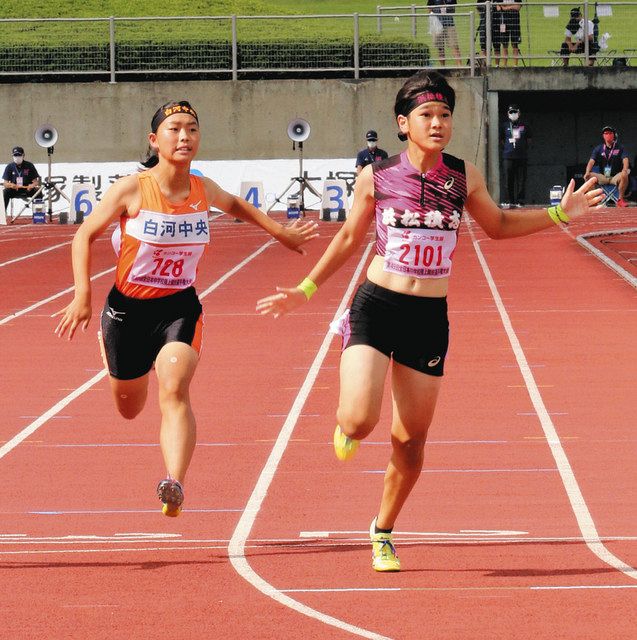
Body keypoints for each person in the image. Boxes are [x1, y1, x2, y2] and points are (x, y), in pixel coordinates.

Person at [256, 71, 602, 572]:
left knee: (411, 440)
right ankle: (348, 423)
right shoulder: (376, 177)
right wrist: (304, 290)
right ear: (403, 123)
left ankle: (382, 531)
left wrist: (558, 214)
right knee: (358, 419)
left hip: (428, 318)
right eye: (426, 115)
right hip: (376, 306)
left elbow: (499, 227)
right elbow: (350, 238)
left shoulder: (464, 177)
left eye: (444, 115)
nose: (437, 123)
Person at [54, 100, 318, 517]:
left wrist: (279, 233)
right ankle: (112, 353)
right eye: (174, 129)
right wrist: (82, 295)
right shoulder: (131, 188)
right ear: (154, 139)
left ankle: (173, 481)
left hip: (179, 307)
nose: (184, 137)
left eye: (192, 129)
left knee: (175, 389)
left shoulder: (202, 188)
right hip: (127, 310)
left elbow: (235, 205)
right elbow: (82, 236)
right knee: (129, 407)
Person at [584, 125, 630, 207]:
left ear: (614, 135)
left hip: (616, 176)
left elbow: (625, 159)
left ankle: (620, 200)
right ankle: (593, 200)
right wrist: (587, 172)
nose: (608, 135)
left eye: (610, 133)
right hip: (603, 176)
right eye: (606, 133)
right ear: (603, 136)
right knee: (588, 176)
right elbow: (591, 161)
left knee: (624, 174)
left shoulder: (620, 147)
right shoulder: (598, 148)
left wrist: (625, 169)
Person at [500, 104, 532, 208]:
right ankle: (509, 200)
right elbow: (501, 140)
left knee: (521, 180)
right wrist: (508, 148)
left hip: (521, 157)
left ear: (519, 113)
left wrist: (522, 147)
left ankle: (520, 201)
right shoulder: (505, 125)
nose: (513, 114)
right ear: (508, 114)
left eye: (515, 112)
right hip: (508, 157)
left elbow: (529, 140)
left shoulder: (525, 125)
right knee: (508, 180)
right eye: (511, 112)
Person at [2, 146, 41, 210]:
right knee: (5, 192)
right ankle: (2, 214)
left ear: (23, 155)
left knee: (38, 192)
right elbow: (5, 183)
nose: (17, 157)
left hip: (27, 189)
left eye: (19, 155)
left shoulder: (29, 165)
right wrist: (11, 185)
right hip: (14, 189)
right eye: (15, 155)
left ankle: (38, 214)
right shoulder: (9, 166)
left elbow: (36, 182)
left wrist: (32, 185)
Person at [427, 0, 462, 66]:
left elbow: (453, 9)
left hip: (449, 24)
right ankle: (443, 68)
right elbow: (429, 9)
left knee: (455, 46)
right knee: (440, 48)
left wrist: (446, 8)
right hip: (437, 25)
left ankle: (460, 67)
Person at [492, 0, 522, 67]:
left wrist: (506, 7)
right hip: (503, 22)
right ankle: (504, 65)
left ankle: (515, 65)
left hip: (515, 22)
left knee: (515, 44)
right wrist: (512, 6)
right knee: (504, 45)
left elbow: (518, 7)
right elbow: (498, 7)